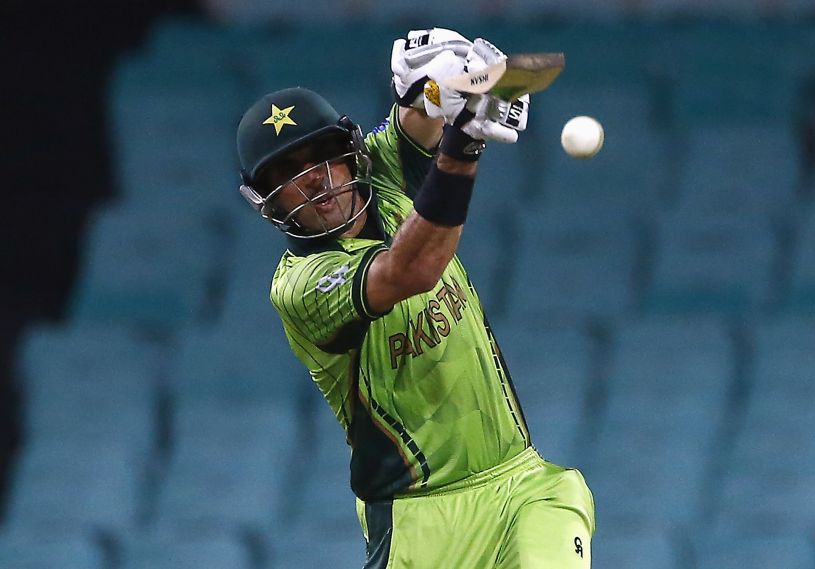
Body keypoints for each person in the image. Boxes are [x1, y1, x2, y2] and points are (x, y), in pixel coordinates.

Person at [235, 28, 595, 569]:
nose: (316, 181)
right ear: (265, 200)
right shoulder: (300, 287)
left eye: (325, 156)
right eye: (288, 173)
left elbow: (416, 120)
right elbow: (412, 268)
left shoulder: (383, 174)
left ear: (351, 151)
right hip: (418, 525)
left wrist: (443, 86)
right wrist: (465, 140)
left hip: (524, 485)